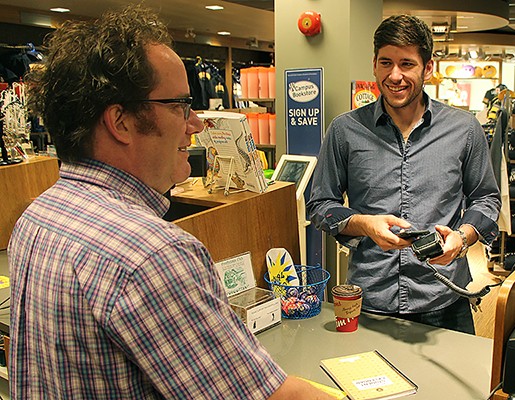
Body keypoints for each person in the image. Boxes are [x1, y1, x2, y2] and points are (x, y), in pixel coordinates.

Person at [8, 6, 333, 399]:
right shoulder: (152, 255)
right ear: (121, 121)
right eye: (179, 105)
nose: (195, 123)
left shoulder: (38, 217)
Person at [307, 14, 501, 334]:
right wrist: (365, 224)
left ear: (428, 68)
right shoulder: (345, 130)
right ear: (374, 64)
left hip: (445, 302)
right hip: (370, 301)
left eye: (407, 64)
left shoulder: (464, 130)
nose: (395, 76)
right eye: (386, 63)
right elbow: (320, 205)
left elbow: (487, 199)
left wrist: (462, 238)